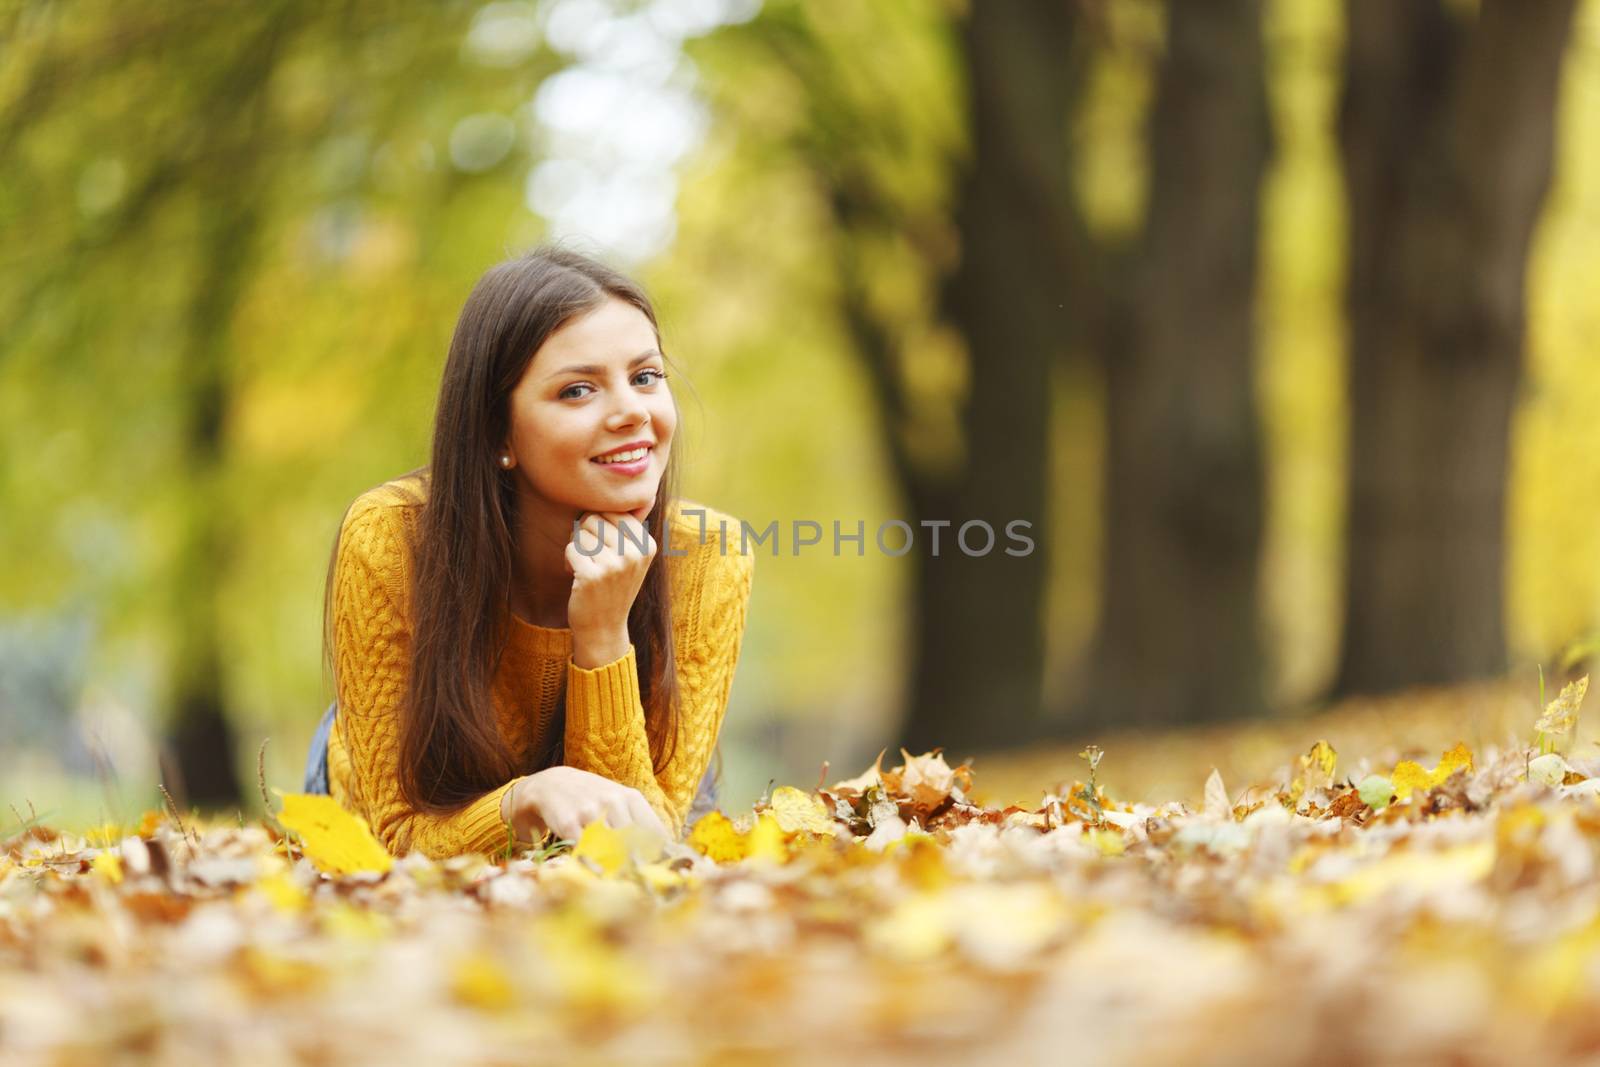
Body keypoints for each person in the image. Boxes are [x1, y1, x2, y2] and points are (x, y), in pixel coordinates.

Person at [301, 246, 754, 860]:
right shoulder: (390, 537)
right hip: (394, 812)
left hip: (643, 790)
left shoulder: (710, 555)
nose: (631, 412)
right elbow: (401, 838)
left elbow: (635, 849)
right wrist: (523, 801)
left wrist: (601, 634)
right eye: (577, 390)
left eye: (645, 377)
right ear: (498, 435)